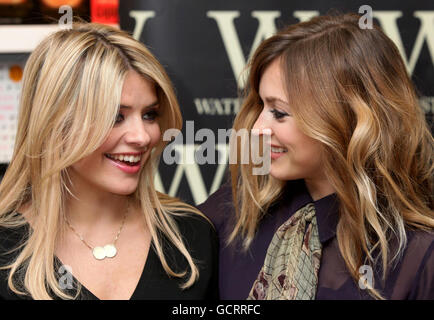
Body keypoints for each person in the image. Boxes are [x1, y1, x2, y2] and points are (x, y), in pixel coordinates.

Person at [199, 13, 434, 300]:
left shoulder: (419, 256)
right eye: (261, 105)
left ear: (345, 120)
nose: (257, 129)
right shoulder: (235, 213)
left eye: (279, 113)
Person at [0, 22, 218, 300]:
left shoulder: (190, 236)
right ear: (55, 123)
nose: (142, 136)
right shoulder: (6, 245)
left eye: (150, 115)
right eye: (116, 117)